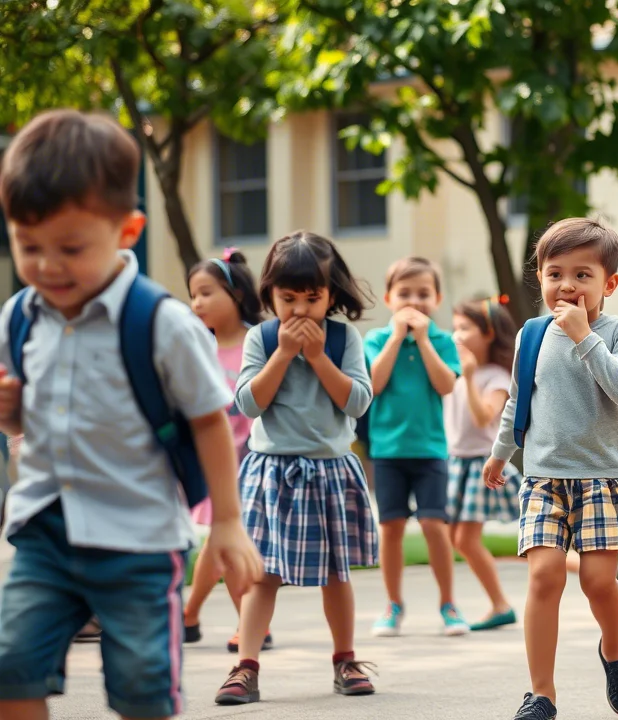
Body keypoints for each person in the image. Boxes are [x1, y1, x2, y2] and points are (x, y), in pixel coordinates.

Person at [0, 109, 262, 720]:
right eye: (27, 246)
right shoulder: (20, 317)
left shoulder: (161, 323)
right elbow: (28, 427)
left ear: (127, 230)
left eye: (70, 247)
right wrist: (12, 417)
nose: (47, 266)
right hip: (43, 529)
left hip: (138, 540)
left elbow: (208, 420)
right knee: (12, 666)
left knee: (142, 686)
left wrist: (226, 522)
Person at [482, 218, 618, 720]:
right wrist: (500, 452)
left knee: (599, 582)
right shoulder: (531, 334)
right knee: (543, 577)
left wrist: (585, 336)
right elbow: (520, 398)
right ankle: (541, 693)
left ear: (609, 283)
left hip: (603, 478)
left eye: (582, 275)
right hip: (544, 478)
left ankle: (614, 649)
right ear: (539, 277)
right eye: (555, 273)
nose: (567, 285)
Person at [215, 231, 378, 706]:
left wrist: (316, 357)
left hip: (329, 471)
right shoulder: (260, 338)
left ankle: (345, 659)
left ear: (331, 294)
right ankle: (246, 665)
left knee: (336, 573)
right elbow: (248, 403)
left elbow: (359, 401)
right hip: (273, 473)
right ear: (270, 295)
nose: (302, 310)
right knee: (263, 575)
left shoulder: (346, 338)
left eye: (313, 298)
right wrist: (285, 354)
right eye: (289, 299)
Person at [365, 257, 470, 637]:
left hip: (429, 450)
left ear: (437, 298)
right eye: (405, 293)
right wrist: (396, 337)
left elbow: (445, 385)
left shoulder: (442, 341)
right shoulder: (376, 339)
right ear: (389, 298)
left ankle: (448, 604)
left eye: (424, 293)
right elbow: (373, 385)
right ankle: (393, 604)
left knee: (433, 524)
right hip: (388, 451)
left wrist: (423, 339)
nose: (415, 301)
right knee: (390, 527)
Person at [181, 247, 276, 653]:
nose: (196, 303)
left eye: (206, 292)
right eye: (192, 294)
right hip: (216, 464)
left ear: (236, 294)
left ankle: (200, 617)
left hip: (254, 461)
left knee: (232, 539)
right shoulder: (196, 348)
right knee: (224, 540)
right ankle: (236, 620)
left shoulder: (259, 342)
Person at [445, 296, 521, 631]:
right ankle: (498, 604)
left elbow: (482, 418)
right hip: (458, 464)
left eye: (465, 327)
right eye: (454, 327)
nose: (456, 335)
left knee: (468, 540)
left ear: (489, 333)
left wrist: (471, 375)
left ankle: (500, 604)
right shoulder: (459, 375)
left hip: (484, 465)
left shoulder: (495, 377)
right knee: (456, 538)